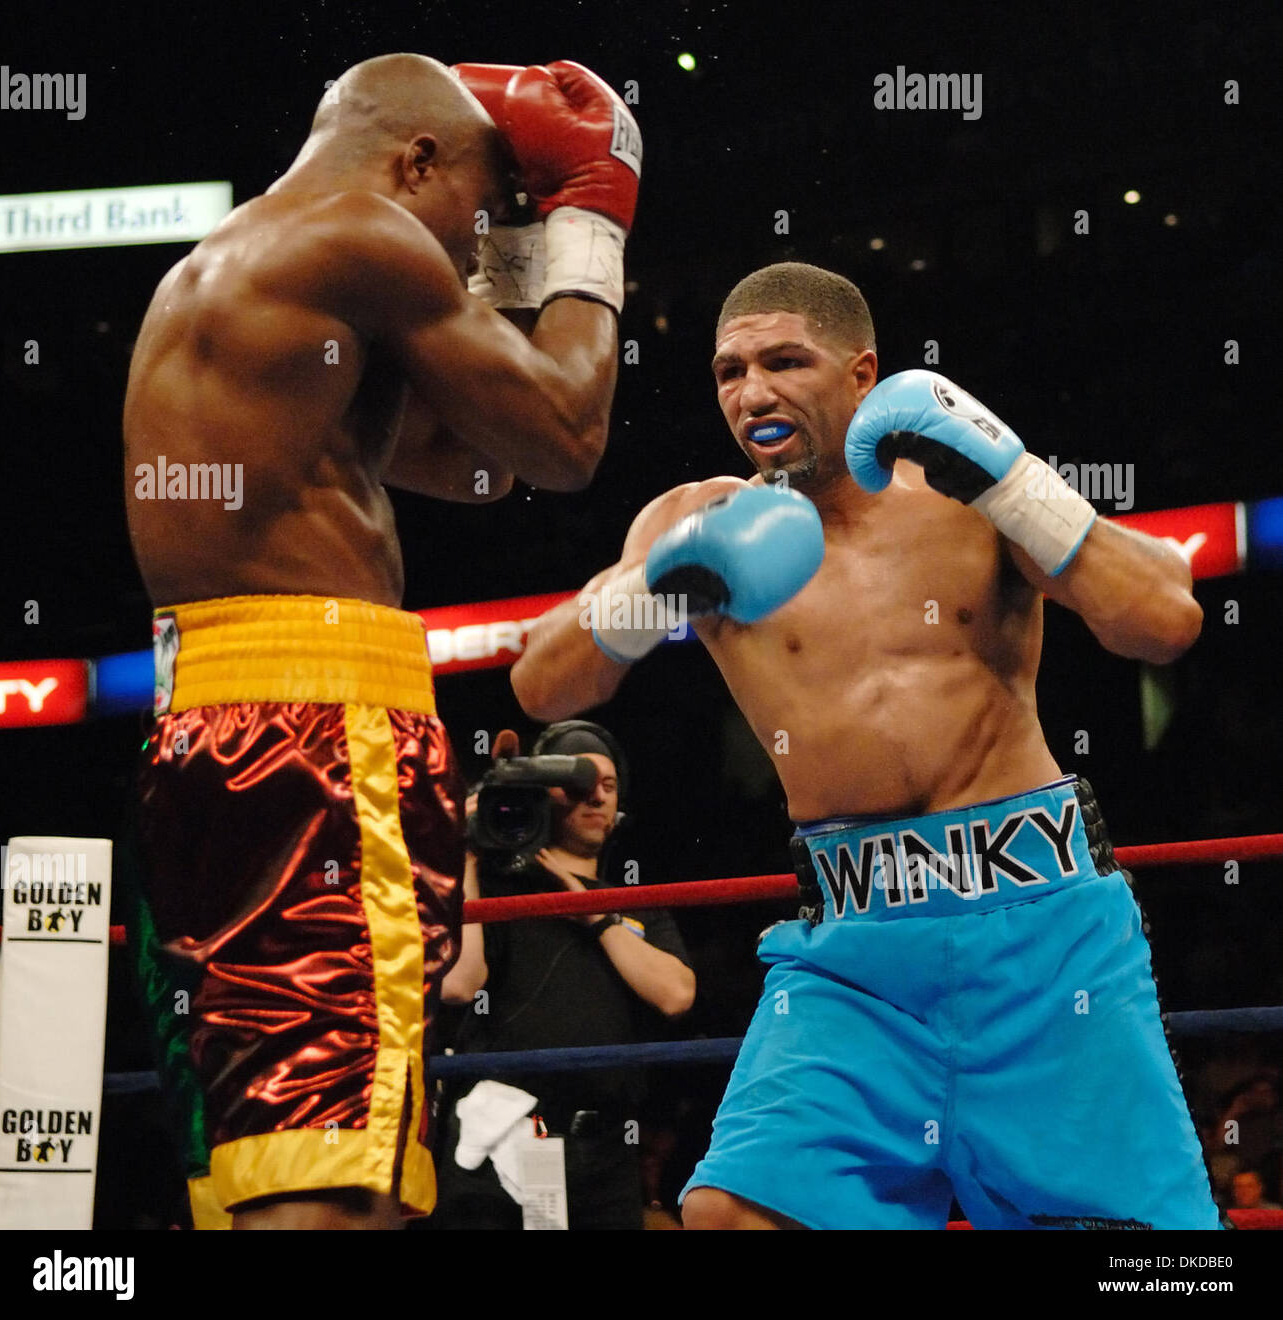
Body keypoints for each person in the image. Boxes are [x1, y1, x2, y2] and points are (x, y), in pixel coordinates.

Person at [510, 261, 1222, 1229]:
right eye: (729, 372)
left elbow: (1163, 619)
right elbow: (544, 686)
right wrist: (652, 594)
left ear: (862, 372)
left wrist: (1015, 484)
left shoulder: (968, 492)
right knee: (732, 1214)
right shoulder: (694, 521)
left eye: (783, 361)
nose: (752, 392)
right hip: (853, 959)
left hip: (1044, 935)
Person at [121, 53, 640, 1229]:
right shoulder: (366, 230)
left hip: (208, 730)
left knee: (283, 1145)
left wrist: (511, 243)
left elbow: (483, 455)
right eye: (473, 208)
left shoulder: (237, 272)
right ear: (413, 161)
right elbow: (565, 436)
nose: (468, 245)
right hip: (314, 735)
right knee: (340, 1173)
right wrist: (588, 217)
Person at [435, 722, 695, 1228]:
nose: (596, 797)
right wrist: (463, 852)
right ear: (543, 797)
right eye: (579, 784)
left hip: (606, 1156)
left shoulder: (634, 905)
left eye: (609, 785)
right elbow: (460, 984)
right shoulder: (498, 889)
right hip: (504, 1143)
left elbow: (677, 994)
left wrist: (593, 913)